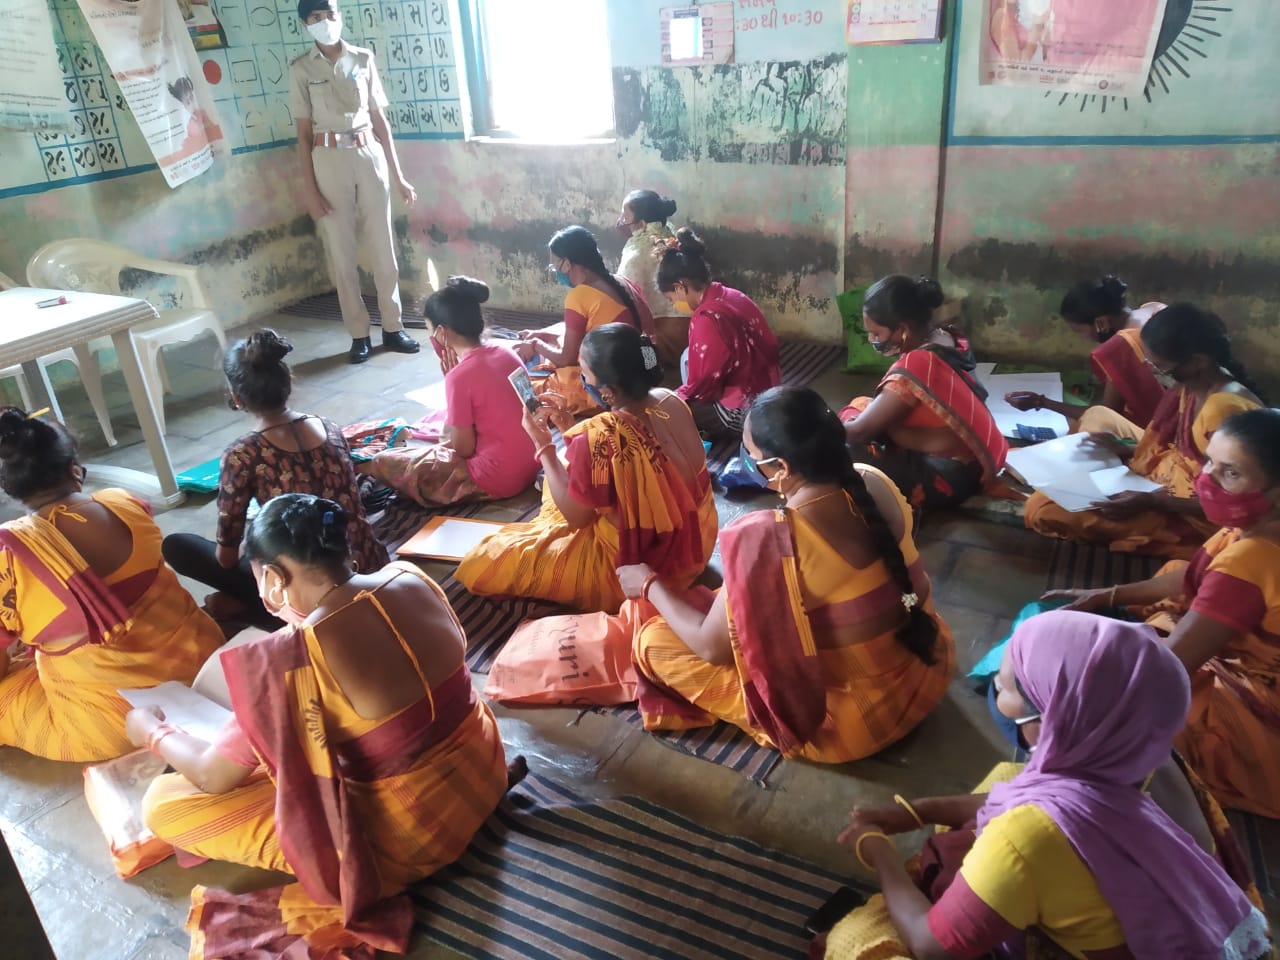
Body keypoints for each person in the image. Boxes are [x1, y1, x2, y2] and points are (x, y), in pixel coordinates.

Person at [134, 494, 510, 959]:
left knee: (163, 805)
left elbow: (213, 776)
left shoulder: (295, 656)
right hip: (485, 771)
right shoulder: (408, 576)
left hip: (413, 839)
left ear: (273, 578)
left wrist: (151, 731)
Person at [828, 610, 1270, 960]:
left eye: (1004, 688)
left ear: (1049, 719)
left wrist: (879, 851)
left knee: (858, 940)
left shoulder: (1026, 837)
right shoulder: (1139, 755)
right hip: (1184, 929)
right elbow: (1030, 801)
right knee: (1008, 779)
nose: (996, 692)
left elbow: (931, 946)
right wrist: (920, 811)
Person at [621, 386, 953, 761]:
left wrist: (648, 584)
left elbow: (710, 648)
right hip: (929, 667)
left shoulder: (772, 539)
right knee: (725, 603)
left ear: (781, 467)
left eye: (751, 453)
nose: (746, 458)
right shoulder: (871, 479)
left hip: (854, 724)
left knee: (651, 641)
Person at [1044, 408, 1280, 819]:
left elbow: (1169, 669)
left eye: (1231, 473)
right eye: (1210, 462)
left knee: (1106, 703)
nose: (1206, 480)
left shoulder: (1250, 561)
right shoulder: (1255, 529)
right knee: (1172, 581)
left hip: (1263, 714)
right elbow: (1191, 578)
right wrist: (1105, 596)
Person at [0, 409, 223, 761]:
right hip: (206, 668)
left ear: (10, 488)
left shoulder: (9, 557)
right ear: (75, 470)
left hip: (115, 721)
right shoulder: (126, 503)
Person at [458, 323, 717, 613]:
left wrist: (543, 446)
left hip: (641, 569)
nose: (581, 380)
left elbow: (578, 519)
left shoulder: (600, 435)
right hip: (696, 543)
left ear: (607, 391)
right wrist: (570, 428)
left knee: (482, 560)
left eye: (584, 372)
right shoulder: (671, 399)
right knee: (563, 471)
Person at [163, 330, 387, 626]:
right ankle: (247, 605)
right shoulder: (329, 427)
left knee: (178, 546)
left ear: (236, 397)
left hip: (314, 590)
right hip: (368, 565)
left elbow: (226, 558)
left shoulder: (243, 454)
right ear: (287, 381)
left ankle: (254, 610)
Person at [1024, 303, 1264, 558]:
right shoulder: (1196, 384)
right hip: (1166, 473)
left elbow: (1237, 504)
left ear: (1197, 361)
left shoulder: (1223, 412)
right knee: (1098, 415)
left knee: (1043, 509)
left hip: (1193, 516)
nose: (1153, 372)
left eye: (1159, 366)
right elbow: (1179, 449)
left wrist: (1153, 501)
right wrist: (1126, 448)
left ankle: (1183, 546)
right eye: (1149, 363)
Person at [291, 0, 420, 364]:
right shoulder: (301, 69)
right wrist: (310, 191)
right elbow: (303, 135)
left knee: (383, 247)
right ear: (305, 23)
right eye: (316, 17)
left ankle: (393, 327)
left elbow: (380, 121)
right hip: (328, 159)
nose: (326, 21)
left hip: (368, 154)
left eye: (331, 14)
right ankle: (359, 334)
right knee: (342, 252)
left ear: (340, 16)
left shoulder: (362, 59)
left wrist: (399, 176)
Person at [357, 277, 538, 505]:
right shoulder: (508, 353)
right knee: (443, 433)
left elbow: (463, 449)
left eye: (430, 331)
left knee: (383, 461)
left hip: (499, 479)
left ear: (441, 333)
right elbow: (531, 409)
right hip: (534, 463)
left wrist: (453, 383)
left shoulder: (459, 377)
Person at [840, 275, 1007, 511]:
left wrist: (815, 432)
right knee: (860, 406)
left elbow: (859, 432)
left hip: (954, 473)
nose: (871, 340)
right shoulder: (948, 338)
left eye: (876, 334)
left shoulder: (919, 363)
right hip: (972, 453)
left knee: (844, 450)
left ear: (903, 330)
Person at [515, 225, 655, 416]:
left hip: (615, 386)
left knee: (530, 385)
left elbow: (566, 359)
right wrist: (543, 335)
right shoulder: (622, 282)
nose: (555, 270)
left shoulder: (580, 295)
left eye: (555, 264)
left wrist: (535, 344)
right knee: (559, 332)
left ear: (567, 263)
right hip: (642, 371)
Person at [655, 228, 781, 437]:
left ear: (680, 287)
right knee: (688, 357)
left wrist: (677, 397)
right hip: (769, 390)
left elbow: (703, 384)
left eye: (671, 298)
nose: (674, 304)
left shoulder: (707, 318)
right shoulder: (731, 295)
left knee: (665, 412)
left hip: (746, 409)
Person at [1005, 274, 1167, 429]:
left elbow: (1106, 415)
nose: (1083, 337)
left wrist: (1042, 402)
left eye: (1080, 331)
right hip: (1180, 414)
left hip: (1168, 431)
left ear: (1101, 323)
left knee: (1085, 429)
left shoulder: (1121, 347)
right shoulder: (1153, 308)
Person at [615, 189, 679, 322]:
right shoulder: (671, 236)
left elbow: (622, 298)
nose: (621, 221)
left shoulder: (635, 255)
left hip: (656, 325)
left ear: (641, 223)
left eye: (625, 217)